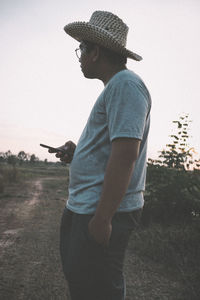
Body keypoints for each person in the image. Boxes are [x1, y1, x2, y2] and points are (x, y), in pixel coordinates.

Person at [50, 10, 151, 300]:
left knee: (97, 287)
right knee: (84, 282)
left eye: (82, 48)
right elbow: (113, 147)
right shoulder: (116, 88)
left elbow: (125, 155)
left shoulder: (126, 85)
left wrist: (103, 217)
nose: (79, 55)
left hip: (102, 209)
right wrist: (78, 151)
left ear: (95, 51)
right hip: (90, 206)